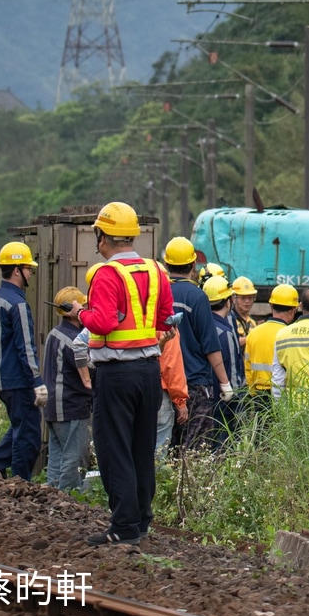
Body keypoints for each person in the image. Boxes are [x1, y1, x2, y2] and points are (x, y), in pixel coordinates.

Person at [63, 201, 175, 546]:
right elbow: (165, 320)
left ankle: (123, 525)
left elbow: (104, 321)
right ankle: (141, 520)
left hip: (116, 372)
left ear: (102, 237)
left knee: (114, 449)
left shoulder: (105, 274)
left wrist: (81, 314)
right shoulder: (156, 271)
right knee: (142, 448)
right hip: (148, 372)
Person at [163, 237, 235, 450]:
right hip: (194, 385)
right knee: (195, 446)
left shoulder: (160, 293)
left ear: (166, 265)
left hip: (164, 384)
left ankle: (167, 483)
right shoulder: (197, 297)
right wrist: (224, 382)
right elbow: (210, 345)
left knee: (168, 447)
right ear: (193, 265)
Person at [0, 241, 44, 481]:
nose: (30, 273)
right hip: (17, 379)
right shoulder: (17, 303)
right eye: (28, 268)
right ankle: (20, 483)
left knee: (20, 424)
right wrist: (36, 380)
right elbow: (25, 347)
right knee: (28, 434)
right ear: (17, 270)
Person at [43, 286, 93, 492]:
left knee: (57, 459)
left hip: (53, 407)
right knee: (74, 460)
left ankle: (51, 501)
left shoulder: (55, 333)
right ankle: (68, 502)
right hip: (72, 407)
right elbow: (91, 369)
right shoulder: (75, 340)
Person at [204, 275, 244, 445]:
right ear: (228, 301)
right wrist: (236, 394)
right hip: (224, 398)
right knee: (223, 442)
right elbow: (232, 368)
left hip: (206, 394)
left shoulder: (204, 326)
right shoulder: (225, 332)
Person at [245, 284, 298, 400]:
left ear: (271, 305)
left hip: (259, 394)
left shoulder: (253, 333)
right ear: (294, 310)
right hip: (282, 392)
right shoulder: (290, 335)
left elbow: (247, 367)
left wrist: (252, 393)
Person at [155, 316, 188, 460]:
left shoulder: (131, 317)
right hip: (159, 392)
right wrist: (180, 401)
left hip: (128, 388)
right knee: (158, 450)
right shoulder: (166, 324)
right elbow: (171, 365)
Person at [230, 276, 258, 349]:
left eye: (250, 297)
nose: (247, 301)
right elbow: (230, 343)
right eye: (243, 298)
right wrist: (252, 338)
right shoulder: (229, 319)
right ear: (234, 298)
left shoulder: (252, 322)